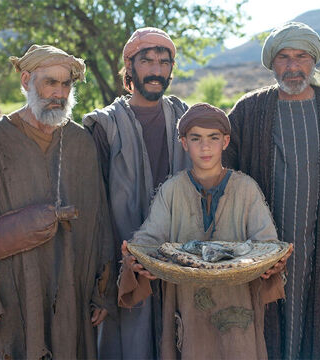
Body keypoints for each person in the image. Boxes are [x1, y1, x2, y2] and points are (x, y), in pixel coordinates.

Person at [223, 22, 320, 359]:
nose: (293, 66)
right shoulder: (249, 110)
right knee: (265, 331)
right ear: (272, 63)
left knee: (319, 332)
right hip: (261, 254)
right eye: (284, 57)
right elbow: (223, 175)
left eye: (302, 56)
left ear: (314, 62)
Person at [118, 102, 293, 359]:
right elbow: (148, 240)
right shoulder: (172, 190)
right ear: (184, 143)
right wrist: (135, 258)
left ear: (225, 141)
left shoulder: (246, 188)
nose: (205, 146)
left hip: (237, 307)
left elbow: (266, 243)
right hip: (187, 308)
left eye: (213, 138)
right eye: (196, 138)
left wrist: (274, 264)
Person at [0, 44, 115, 359]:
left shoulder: (81, 143)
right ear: (26, 80)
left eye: (66, 83)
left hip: (72, 291)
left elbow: (99, 221)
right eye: (50, 82)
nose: (59, 92)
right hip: (10, 296)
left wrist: (102, 293)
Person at [83, 27, 190, 359]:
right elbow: (94, 209)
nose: (156, 70)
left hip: (180, 263)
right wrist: (115, 266)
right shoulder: (103, 127)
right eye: (147, 61)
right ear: (129, 67)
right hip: (123, 266)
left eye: (164, 61)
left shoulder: (186, 118)